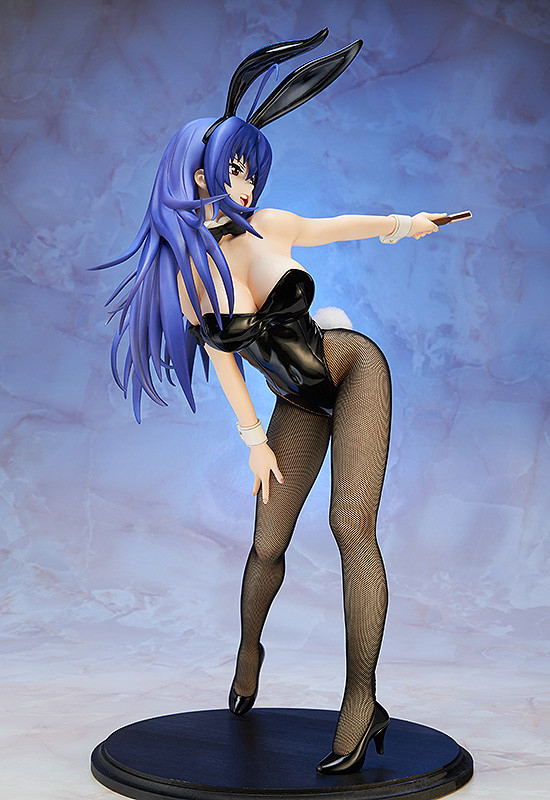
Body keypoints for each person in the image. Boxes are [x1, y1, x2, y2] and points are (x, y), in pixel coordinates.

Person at [91, 29, 445, 775]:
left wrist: (404, 225)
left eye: (250, 174)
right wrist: (252, 438)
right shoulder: (189, 275)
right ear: (191, 173)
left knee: (351, 527)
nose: (246, 188)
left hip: (351, 370)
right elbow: (225, 359)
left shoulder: (270, 229)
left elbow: (332, 226)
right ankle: (249, 651)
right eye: (233, 171)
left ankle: (361, 700)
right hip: (296, 402)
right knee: (267, 543)